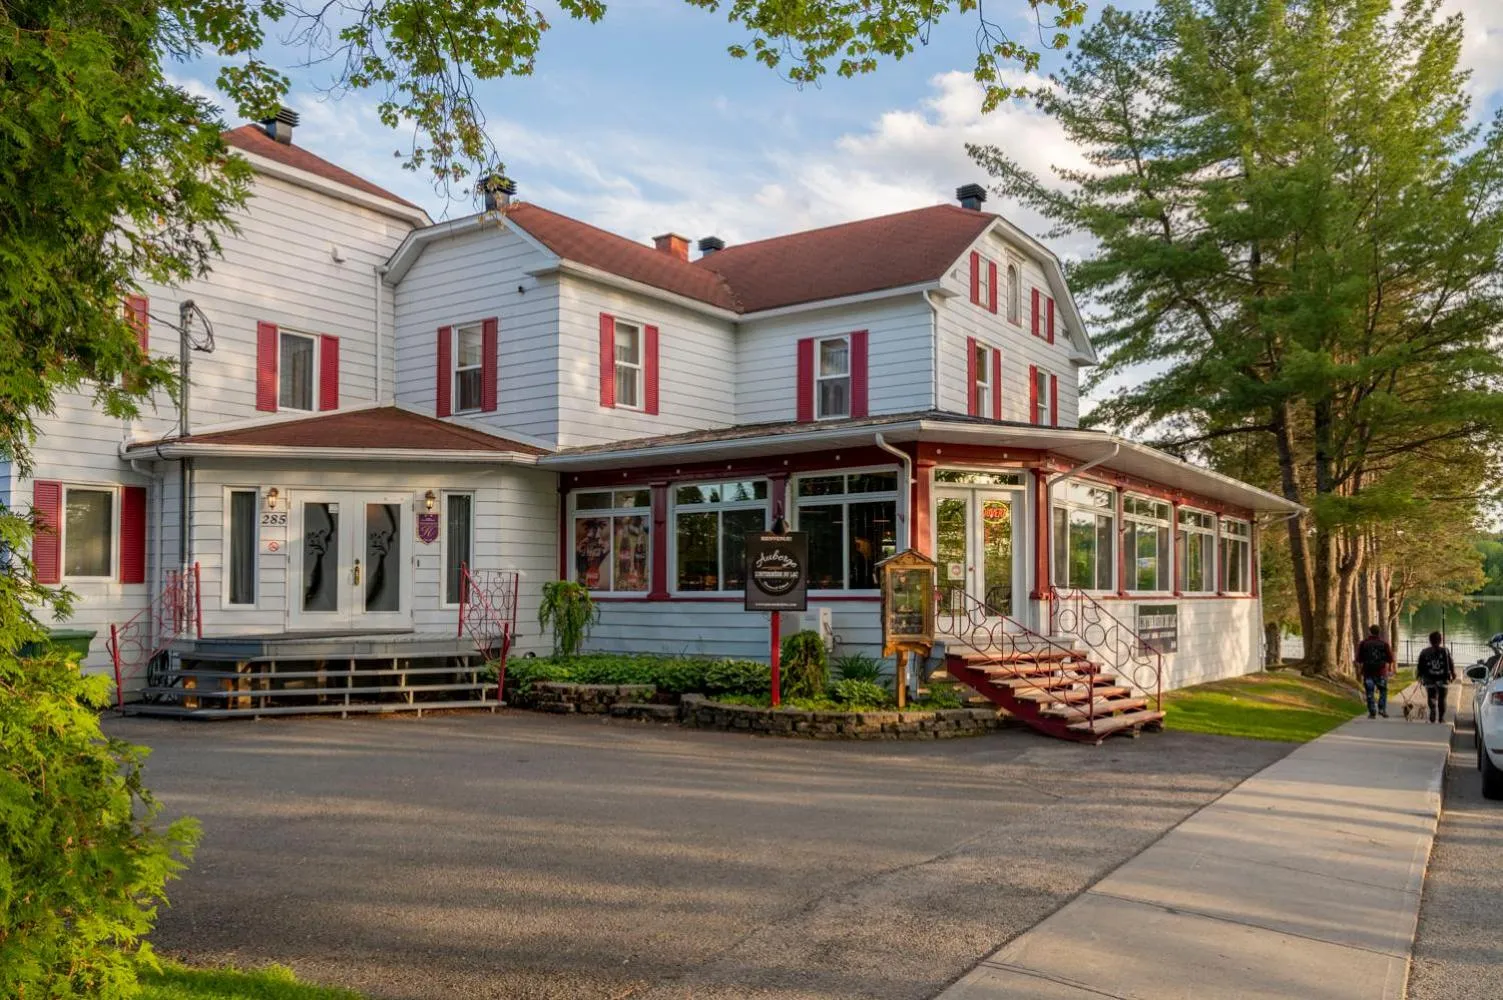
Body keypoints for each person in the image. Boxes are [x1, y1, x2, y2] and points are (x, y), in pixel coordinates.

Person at [1416, 631, 1457, 724]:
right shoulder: (1445, 651)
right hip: (1443, 678)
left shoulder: (1424, 652)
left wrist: (1419, 675)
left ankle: (1433, 709)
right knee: (1442, 698)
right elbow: (1451, 663)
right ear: (1440, 640)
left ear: (1430, 640)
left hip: (1429, 678)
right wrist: (1453, 674)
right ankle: (1441, 718)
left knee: (1431, 696)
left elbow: (1420, 665)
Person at [1355, 624, 1394, 719]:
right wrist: (1389, 668)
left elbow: (1358, 659)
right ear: (1379, 632)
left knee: (1369, 692)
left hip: (1368, 672)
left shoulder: (1363, 643)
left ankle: (1372, 711)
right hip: (1381, 672)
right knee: (1383, 691)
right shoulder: (1384, 644)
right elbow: (1390, 658)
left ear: (1370, 632)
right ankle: (1382, 709)